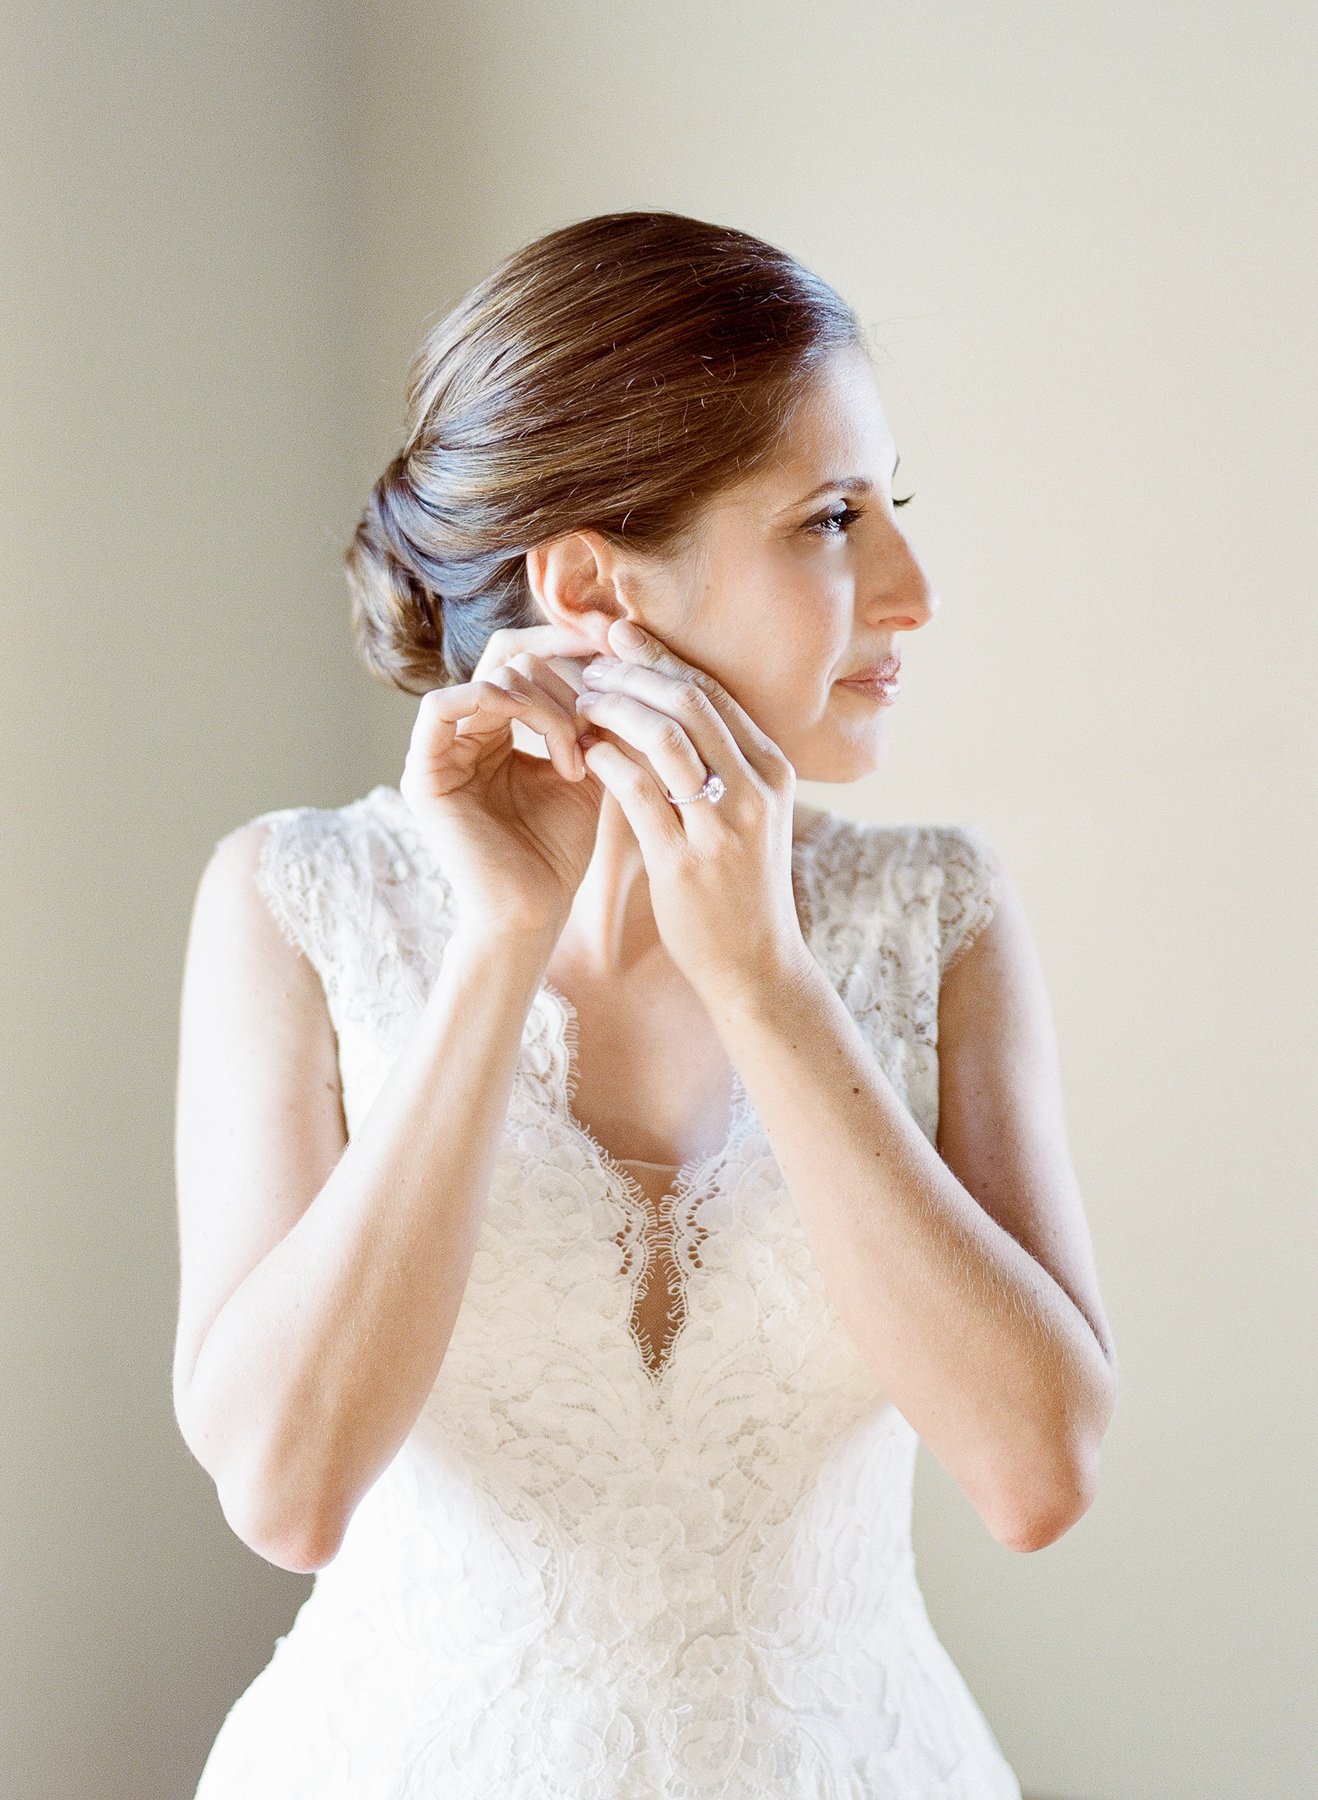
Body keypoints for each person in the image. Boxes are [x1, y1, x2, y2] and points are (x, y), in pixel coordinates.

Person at [173, 209, 1117, 1798]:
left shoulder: (933, 910)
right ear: (593, 586)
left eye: (888, 509)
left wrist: (763, 975)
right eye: (830, 519)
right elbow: (287, 1492)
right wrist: (494, 953)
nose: (909, 588)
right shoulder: (297, 902)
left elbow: (1036, 1475)